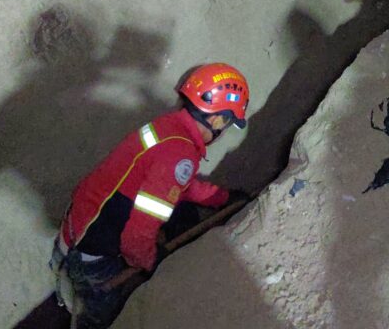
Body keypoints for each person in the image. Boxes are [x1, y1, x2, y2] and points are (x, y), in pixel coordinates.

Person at [51, 63, 250, 327]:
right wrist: (152, 260)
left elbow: (180, 186)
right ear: (217, 119)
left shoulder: (169, 128)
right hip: (90, 255)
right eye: (227, 123)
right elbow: (135, 238)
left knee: (182, 212)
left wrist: (222, 198)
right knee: (105, 315)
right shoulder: (180, 155)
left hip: (78, 222)